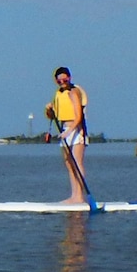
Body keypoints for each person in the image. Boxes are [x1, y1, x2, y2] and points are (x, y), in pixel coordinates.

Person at [46, 66, 89, 204]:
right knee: (69, 164)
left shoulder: (73, 92)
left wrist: (69, 131)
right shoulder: (59, 94)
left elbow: (78, 117)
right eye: (60, 81)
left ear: (69, 78)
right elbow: (51, 117)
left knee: (77, 162)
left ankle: (80, 197)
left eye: (65, 80)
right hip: (64, 128)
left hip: (77, 129)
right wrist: (49, 109)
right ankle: (73, 196)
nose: (63, 83)